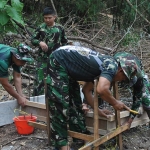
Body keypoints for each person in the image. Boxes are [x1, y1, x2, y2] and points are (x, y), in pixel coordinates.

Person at [46, 45, 137, 150]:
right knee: (60, 104)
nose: (121, 81)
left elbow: (86, 90)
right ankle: (61, 146)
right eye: (123, 79)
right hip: (58, 60)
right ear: (121, 71)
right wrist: (115, 102)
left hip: (67, 65)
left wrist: (97, 110)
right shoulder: (112, 67)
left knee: (75, 103)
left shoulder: (103, 67)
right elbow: (102, 90)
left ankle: (79, 140)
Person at [31, 7, 68, 96]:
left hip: (56, 60)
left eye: (49, 18)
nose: (47, 20)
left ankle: (54, 103)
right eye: (45, 18)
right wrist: (40, 42)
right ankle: (36, 102)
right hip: (42, 59)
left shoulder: (60, 28)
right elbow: (32, 39)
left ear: (54, 17)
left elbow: (64, 42)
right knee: (39, 82)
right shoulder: (41, 27)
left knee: (56, 82)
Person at [113, 52, 150, 127]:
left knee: (146, 101)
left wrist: (130, 121)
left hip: (136, 65)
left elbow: (137, 100)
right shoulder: (112, 66)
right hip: (121, 61)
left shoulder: (139, 78)